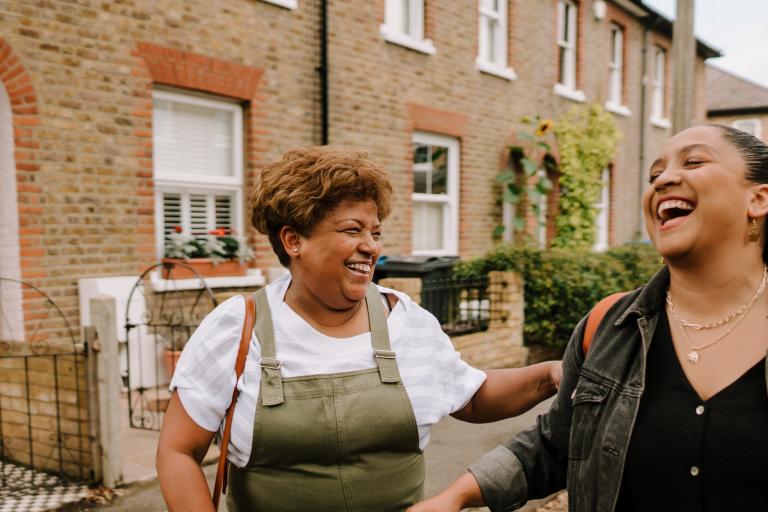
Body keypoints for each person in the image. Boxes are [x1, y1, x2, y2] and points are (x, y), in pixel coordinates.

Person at [156, 145, 562, 512]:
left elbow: (472, 398)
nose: (371, 245)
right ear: (294, 240)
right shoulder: (239, 328)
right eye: (353, 230)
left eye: (376, 232)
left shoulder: (407, 321)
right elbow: (178, 451)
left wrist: (550, 375)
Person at [410, 124, 768, 512]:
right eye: (654, 175)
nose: (664, 179)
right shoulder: (608, 326)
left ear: (759, 198)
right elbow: (557, 444)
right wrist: (454, 497)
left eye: (694, 161)